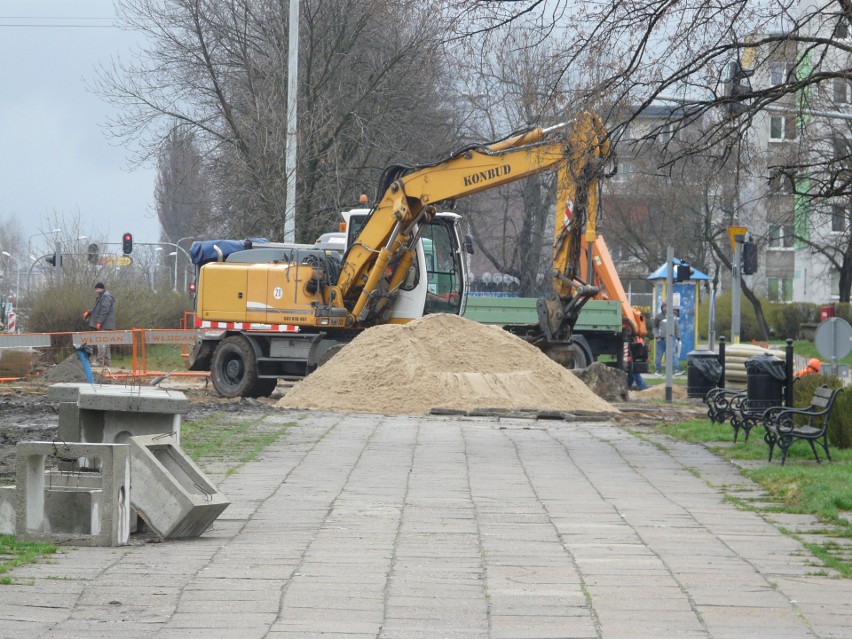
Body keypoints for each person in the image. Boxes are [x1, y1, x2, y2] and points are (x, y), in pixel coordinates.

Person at [83, 282, 116, 366]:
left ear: (99, 288)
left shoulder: (106, 296)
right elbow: (98, 309)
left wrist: (99, 322)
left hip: (104, 324)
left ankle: (100, 361)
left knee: (101, 342)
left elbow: (105, 310)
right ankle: (107, 362)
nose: (95, 291)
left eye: (96, 289)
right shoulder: (102, 296)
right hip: (105, 324)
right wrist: (89, 312)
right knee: (106, 343)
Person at [653, 302, 681, 375]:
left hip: (671, 338)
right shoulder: (658, 317)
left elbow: (676, 327)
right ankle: (658, 371)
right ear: (662, 308)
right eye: (664, 307)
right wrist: (656, 336)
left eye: (667, 307)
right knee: (659, 355)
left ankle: (676, 370)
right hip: (660, 339)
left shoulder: (673, 316)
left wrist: (678, 337)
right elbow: (654, 327)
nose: (665, 308)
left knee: (673, 354)